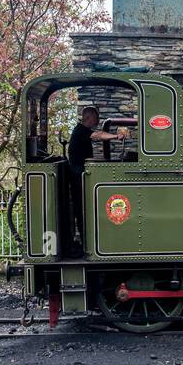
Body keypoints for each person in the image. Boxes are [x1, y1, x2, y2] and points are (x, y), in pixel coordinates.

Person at [66, 107, 129, 255]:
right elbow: (98, 135)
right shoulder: (80, 130)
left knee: (84, 211)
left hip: (79, 176)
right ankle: (86, 244)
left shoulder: (80, 131)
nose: (98, 121)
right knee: (83, 211)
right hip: (78, 178)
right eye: (96, 118)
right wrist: (116, 136)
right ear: (89, 118)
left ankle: (87, 243)